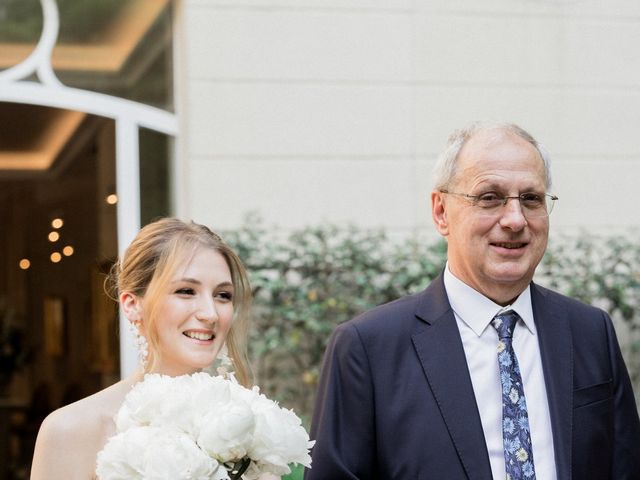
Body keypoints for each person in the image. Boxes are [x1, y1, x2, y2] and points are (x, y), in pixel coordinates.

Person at [306, 122, 640, 479]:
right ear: (441, 212)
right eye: (489, 197)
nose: (515, 220)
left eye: (531, 199)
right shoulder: (368, 348)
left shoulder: (590, 332)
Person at [30, 218, 255, 479]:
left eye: (223, 295)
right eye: (186, 291)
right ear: (132, 304)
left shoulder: (246, 423)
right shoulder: (70, 430)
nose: (211, 313)